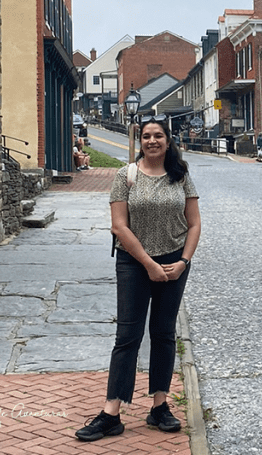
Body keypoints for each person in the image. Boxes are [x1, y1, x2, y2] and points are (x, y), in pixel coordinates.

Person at [75, 118, 201, 442]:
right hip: (134, 263)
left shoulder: (181, 177)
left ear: (168, 141)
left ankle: (160, 406)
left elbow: (195, 223)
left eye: (158, 135)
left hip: (174, 263)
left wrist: (183, 262)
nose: (152, 141)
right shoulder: (125, 176)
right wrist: (148, 264)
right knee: (128, 335)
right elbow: (119, 226)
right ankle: (111, 413)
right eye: (146, 136)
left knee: (163, 333)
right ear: (140, 141)